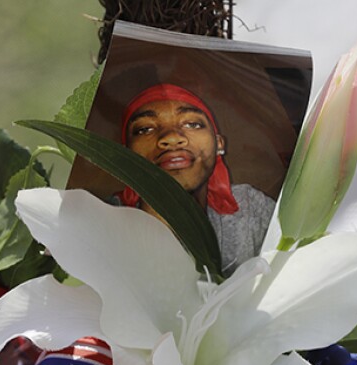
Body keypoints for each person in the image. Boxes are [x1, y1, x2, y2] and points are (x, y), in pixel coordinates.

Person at [115, 84, 275, 275]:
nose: (172, 138)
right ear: (125, 155)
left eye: (192, 124)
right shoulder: (100, 221)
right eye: (145, 129)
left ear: (219, 144)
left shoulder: (249, 208)